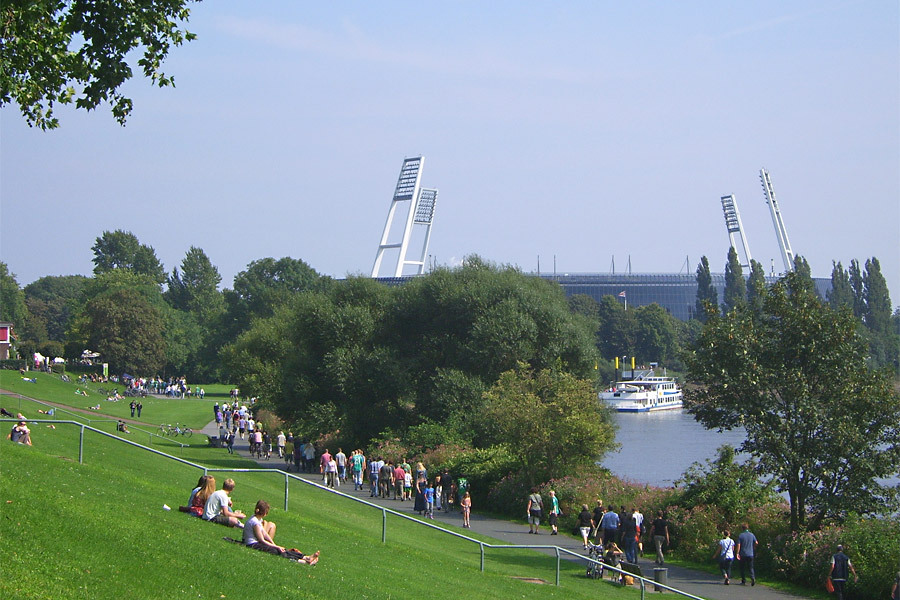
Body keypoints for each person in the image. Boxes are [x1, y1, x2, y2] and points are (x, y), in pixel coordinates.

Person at [243, 500, 319, 565]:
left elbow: (265, 534)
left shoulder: (258, 519)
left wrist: (274, 544)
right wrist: (276, 547)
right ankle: (303, 562)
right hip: (252, 544)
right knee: (276, 551)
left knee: (282, 549)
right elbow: (262, 540)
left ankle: (305, 557)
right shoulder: (255, 522)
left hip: (256, 543)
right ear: (265, 513)